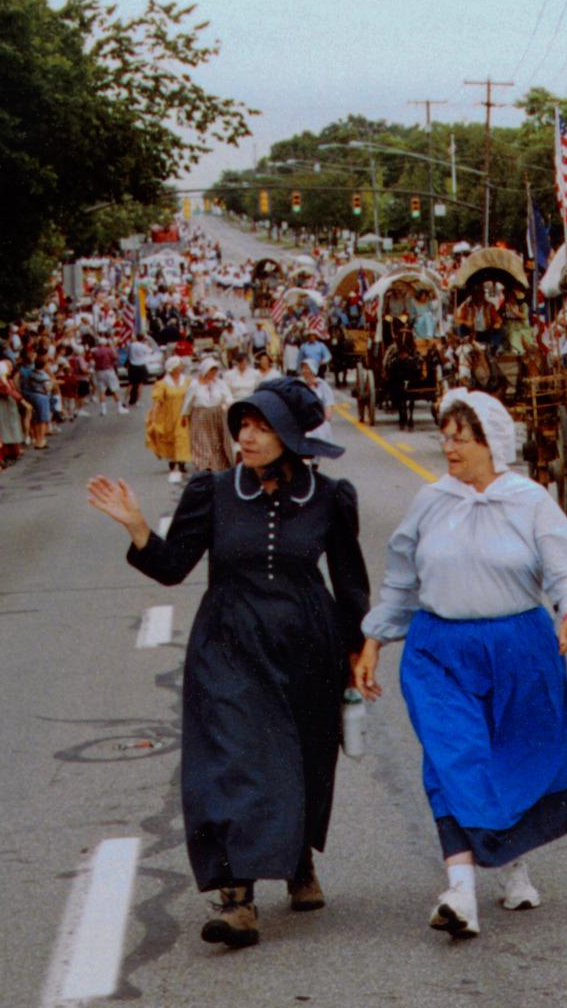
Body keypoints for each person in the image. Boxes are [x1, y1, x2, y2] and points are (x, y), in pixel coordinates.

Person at [86, 378, 370, 949]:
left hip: (307, 646)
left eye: (262, 427)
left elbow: (350, 583)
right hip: (228, 644)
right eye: (242, 425)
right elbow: (172, 566)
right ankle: (237, 900)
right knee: (232, 764)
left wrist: (360, 652)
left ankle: (298, 860)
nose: (247, 436)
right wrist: (137, 526)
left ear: (290, 437)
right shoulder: (213, 491)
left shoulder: (329, 497)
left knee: (304, 759)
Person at [354, 390, 567, 940]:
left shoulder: (529, 501)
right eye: (445, 437)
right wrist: (374, 640)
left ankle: (514, 864)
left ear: (491, 443)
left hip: (519, 647)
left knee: (510, 757)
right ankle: (461, 892)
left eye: (461, 439)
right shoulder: (430, 502)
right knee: (453, 757)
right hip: (438, 651)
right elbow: (402, 580)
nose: (449, 448)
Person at [146, 356, 194, 484]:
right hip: (168, 414)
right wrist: (153, 415)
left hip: (183, 413)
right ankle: (173, 459)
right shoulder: (162, 384)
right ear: (173, 368)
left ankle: (182, 461)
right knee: (170, 436)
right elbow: (157, 401)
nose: (181, 368)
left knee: (182, 436)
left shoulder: (187, 381)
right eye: (178, 366)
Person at [184, 358, 235, 473]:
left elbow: (228, 397)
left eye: (214, 371)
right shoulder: (195, 385)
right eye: (211, 371)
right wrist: (185, 415)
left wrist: (225, 406)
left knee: (217, 441)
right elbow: (188, 402)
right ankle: (204, 466)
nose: (213, 374)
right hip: (200, 415)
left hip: (217, 415)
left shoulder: (220, 383)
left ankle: (219, 466)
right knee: (202, 441)